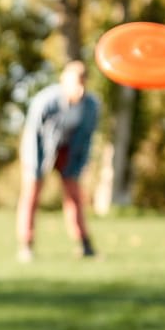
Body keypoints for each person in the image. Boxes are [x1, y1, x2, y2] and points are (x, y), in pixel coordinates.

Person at [16, 60, 100, 261]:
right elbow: (33, 135)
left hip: (69, 151)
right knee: (31, 195)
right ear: (63, 81)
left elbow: (87, 138)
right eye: (74, 83)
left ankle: (84, 244)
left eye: (82, 83)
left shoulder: (90, 105)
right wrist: (35, 167)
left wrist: (81, 164)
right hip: (40, 149)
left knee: (74, 197)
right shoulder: (45, 101)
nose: (78, 88)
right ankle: (26, 245)